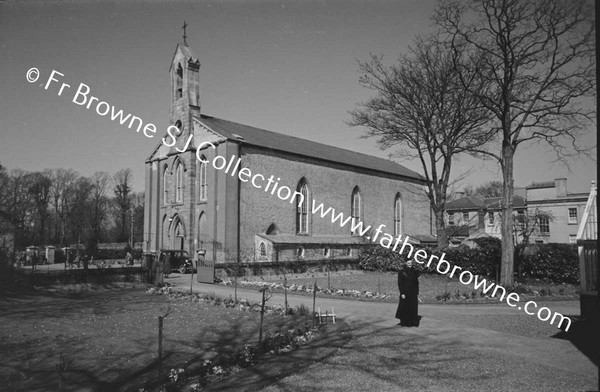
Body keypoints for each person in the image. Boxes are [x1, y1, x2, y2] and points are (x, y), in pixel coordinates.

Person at [395, 260, 420, 327]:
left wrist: (417, 293)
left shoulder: (415, 271)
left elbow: (416, 283)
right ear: (406, 263)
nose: (410, 264)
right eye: (408, 263)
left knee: (412, 307)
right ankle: (404, 322)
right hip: (405, 292)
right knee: (404, 307)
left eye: (411, 263)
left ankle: (412, 322)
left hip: (413, 292)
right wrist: (402, 293)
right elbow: (400, 283)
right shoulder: (401, 272)